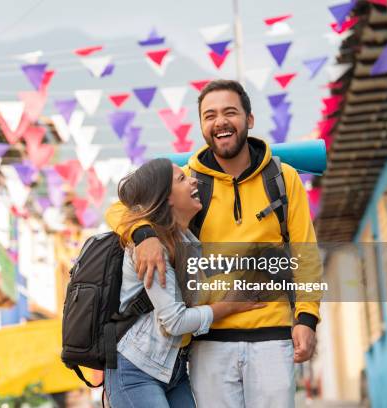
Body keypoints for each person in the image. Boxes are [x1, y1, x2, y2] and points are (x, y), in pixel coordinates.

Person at [106, 79, 322, 408]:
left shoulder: (282, 178)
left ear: (249, 121)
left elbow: (305, 256)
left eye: (230, 112)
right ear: (203, 127)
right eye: (210, 115)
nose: (220, 121)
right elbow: (120, 207)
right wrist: (143, 235)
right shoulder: (190, 180)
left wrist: (306, 319)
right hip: (209, 342)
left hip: (273, 335)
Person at [105, 158, 265, 408]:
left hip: (173, 369)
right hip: (136, 369)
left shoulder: (188, 241)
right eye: (181, 179)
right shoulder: (151, 248)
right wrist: (230, 307)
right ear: (164, 198)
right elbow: (175, 321)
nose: (193, 180)